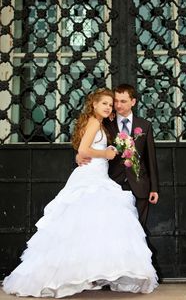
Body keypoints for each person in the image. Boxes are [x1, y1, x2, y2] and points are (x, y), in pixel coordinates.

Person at [3, 88, 158, 298]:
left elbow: (87, 149)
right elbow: (83, 151)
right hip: (91, 177)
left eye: (110, 104)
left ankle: (90, 273)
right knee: (79, 225)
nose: (109, 107)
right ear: (93, 104)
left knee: (91, 227)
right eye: (105, 103)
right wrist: (106, 152)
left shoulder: (102, 123)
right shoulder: (95, 122)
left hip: (99, 176)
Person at [77, 84, 159, 226]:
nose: (117, 105)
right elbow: (88, 144)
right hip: (113, 184)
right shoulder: (105, 122)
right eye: (116, 101)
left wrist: (154, 188)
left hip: (140, 185)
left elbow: (150, 158)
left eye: (123, 101)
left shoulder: (145, 125)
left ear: (133, 102)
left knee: (139, 230)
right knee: (115, 228)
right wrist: (79, 156)